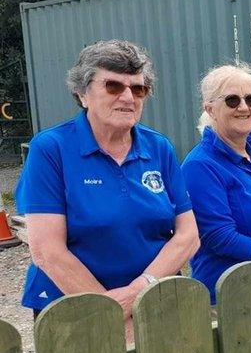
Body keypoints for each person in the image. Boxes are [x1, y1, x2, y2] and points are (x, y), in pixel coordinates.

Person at [16, 40, 199, 328]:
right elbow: (47, 250)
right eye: (113, 86)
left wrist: (138, 292)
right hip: (74, 309)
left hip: (154, 302)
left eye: (138, 88)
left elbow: (188, 235)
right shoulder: (52, 149)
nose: (128, 97)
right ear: (82, 94)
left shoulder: (158, 147)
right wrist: (111, 314)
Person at [182, 64, 251, 304]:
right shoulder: (200, 166)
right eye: (232, 100)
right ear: (210, 109)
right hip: (233, 299)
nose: (244, 107)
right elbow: (220, 236)